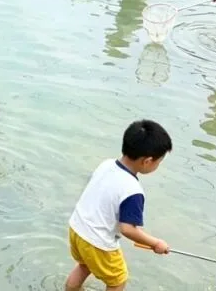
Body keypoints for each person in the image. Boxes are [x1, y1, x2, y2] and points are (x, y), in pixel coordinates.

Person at [65, 120, 172, 291]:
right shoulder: (133, 190)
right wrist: (155, 243)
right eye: (158, 162)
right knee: (117, 280)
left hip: (77, 229)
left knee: (84, 265)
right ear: (147, 161)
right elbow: (127, 229)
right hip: (97, 241)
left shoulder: (106, 164)